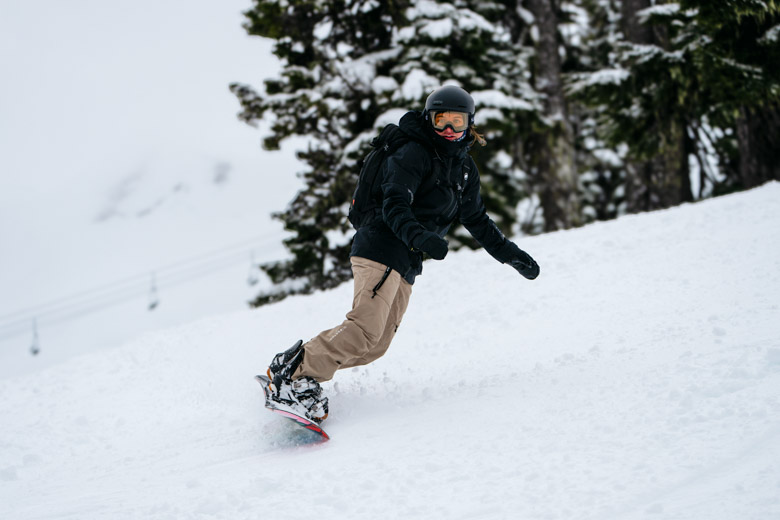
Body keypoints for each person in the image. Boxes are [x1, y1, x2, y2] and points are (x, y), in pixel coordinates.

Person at [264, 84, 540, 423]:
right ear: (429, 120)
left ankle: (300, 370)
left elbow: (477, 219)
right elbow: (394, 203)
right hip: (381, 245)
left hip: (407, 260)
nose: (450, 130)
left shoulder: (463, 168)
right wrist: (422, 237)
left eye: (458, 122)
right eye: (442, 121)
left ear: (470, 124)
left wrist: (509, 254)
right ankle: (292, 375)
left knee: (375, 345)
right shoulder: (413, 152)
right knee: (364, 330)